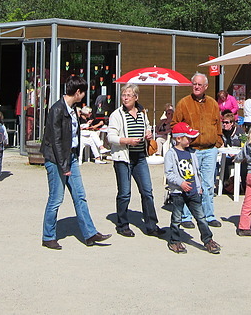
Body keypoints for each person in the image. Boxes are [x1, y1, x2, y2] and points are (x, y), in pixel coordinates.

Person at [40, 76, 111, 250]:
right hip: (57, 159)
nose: (84, 95)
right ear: (77, 92)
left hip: (70, 157)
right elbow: (56, 140)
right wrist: (64, 166)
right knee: (56, 198)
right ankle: (48, 236)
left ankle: (89, 233)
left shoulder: (72, 109)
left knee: (80, 196)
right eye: (83, 92)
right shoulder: (57, 109)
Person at [106, 84, 165, 238]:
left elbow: (147, 128)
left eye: (128, 95)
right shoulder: (117, 115)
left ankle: (152, 225)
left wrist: (148, 134)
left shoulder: (142, 113)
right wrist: (127, 141)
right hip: (123, 158)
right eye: (124, 95)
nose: (125, 98)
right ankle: (122, 225)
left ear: (136, 98)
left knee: (147, 191)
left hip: (139, 157)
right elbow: (110, 137)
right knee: (125, 193)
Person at [172, 72, 223, 229]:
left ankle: (209, 215)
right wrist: (182, 142)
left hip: (209, 149)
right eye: (194, 83)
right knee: (189, 183)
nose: (196, 86)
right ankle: (186, 216)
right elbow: (175, 124)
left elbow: (218, 123)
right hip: (191, 150)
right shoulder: (184, 103)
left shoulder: (213, 104)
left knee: (208, 184)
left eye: (199, 84)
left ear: (206, 86)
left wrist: (218, 140)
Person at [163, 122, 221, 254]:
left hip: (193, 192)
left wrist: (199, 187)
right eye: (188, 138)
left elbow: (196, 171)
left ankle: (208, 240)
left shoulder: (192, 153)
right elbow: (169, 173)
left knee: (201, 217)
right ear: (178, 138)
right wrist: (180, 182)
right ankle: (175, 241)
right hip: (178, 192)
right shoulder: (171, 154)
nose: (190, 140)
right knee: (177, 218)